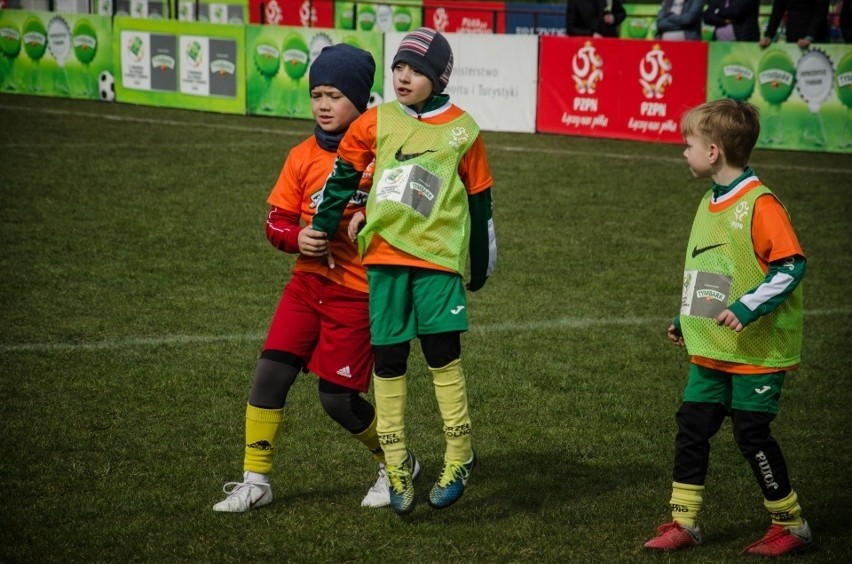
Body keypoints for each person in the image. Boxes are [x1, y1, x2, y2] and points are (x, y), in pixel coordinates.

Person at [310, 28, 496, 516]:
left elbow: (480, 203)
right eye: (398, 68)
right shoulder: (374, 121)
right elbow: (343, 177)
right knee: (389, 359)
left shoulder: (464, 129)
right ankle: (395, 462)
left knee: (441, 353)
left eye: (415, 70)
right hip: (385, 259)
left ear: (439, 77)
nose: (404, 77)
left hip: (437, 262)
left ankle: (459, 455)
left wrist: (480, 264)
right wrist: (324, 225)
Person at [212, 43, 405, 513]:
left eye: (335, 95)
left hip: (356, 293)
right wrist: (296, 237)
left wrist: (372, 222)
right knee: (269, 376)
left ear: (362, 100)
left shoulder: (384, 156)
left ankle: (397, 464)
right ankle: (256, 481)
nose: (323, 104)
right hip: (305, 286)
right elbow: (275, 222)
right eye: (317, 93)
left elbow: (407, 217)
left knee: (336, 400)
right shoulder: (300, 156)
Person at [644, 99, 811, 557]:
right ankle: (683, 521)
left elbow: (790, 266)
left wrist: (746, 307)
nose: (684, 152)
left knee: (751, 434)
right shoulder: (710, 201)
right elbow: (716, 268)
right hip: (712, 345)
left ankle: (791, 524)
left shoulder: (761, 203)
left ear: (713, 151)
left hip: (756, 350)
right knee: (692, 426)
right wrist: (687, 318)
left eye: (689, 144)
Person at [759, 0, 830, 49]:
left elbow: (820, 12)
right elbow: (777, 11)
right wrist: (768, 36)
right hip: (793, 38)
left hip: (816, 39)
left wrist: (810, 37)